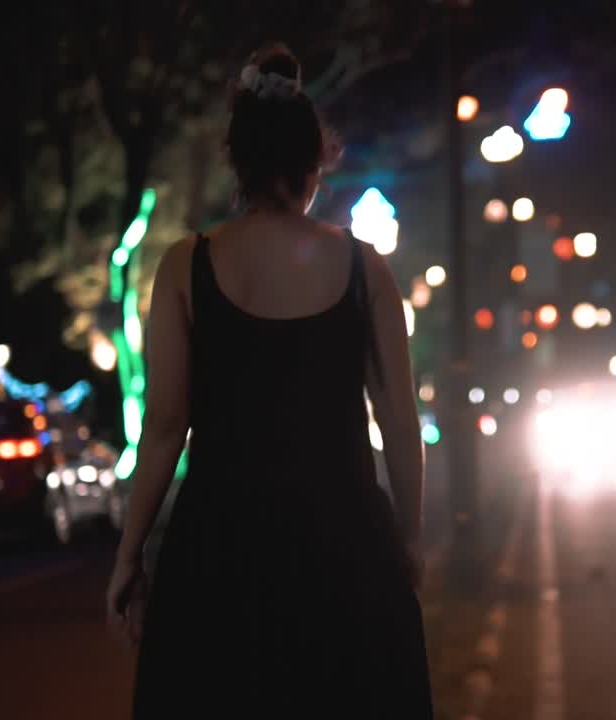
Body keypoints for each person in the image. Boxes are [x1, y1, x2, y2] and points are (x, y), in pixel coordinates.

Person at [105, 43, 434, 717]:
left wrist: (129, 555)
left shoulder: (186, 266)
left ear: (239, 161)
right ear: (315, 163)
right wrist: (408, 536)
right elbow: (400, 422)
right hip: (346, 546)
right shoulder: (365, 270)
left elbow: (163, 428)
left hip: (218, 552)